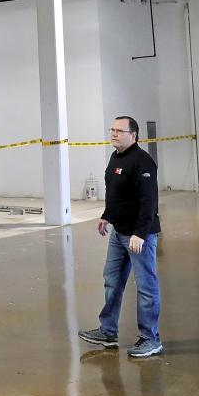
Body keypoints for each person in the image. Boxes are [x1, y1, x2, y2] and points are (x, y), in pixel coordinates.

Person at [78, 116, 163, 358]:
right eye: (112, 130)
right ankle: (108, 331)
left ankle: (150, 338)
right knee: (112, 281)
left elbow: (149, 202)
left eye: (119, 131)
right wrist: (107, 215)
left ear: (133, 135)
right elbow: (115, 193)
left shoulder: (143, 162)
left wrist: (140, 233)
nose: (114, 134)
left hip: (139, 236)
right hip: (119, 232)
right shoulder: (116, 157)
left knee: (146, 287)